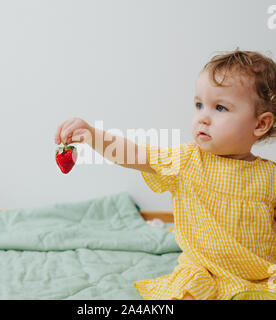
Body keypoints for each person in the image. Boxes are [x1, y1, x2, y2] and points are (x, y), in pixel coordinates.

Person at [54, 48, 276, 300]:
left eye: (220, 108)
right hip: (204, 271)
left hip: (261, 275)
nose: (203, 117)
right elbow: (136, 155)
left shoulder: (270, 177)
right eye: (199, 105)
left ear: (260, 124)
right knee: (188, 289)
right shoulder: (187, 160)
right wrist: (94, 136)